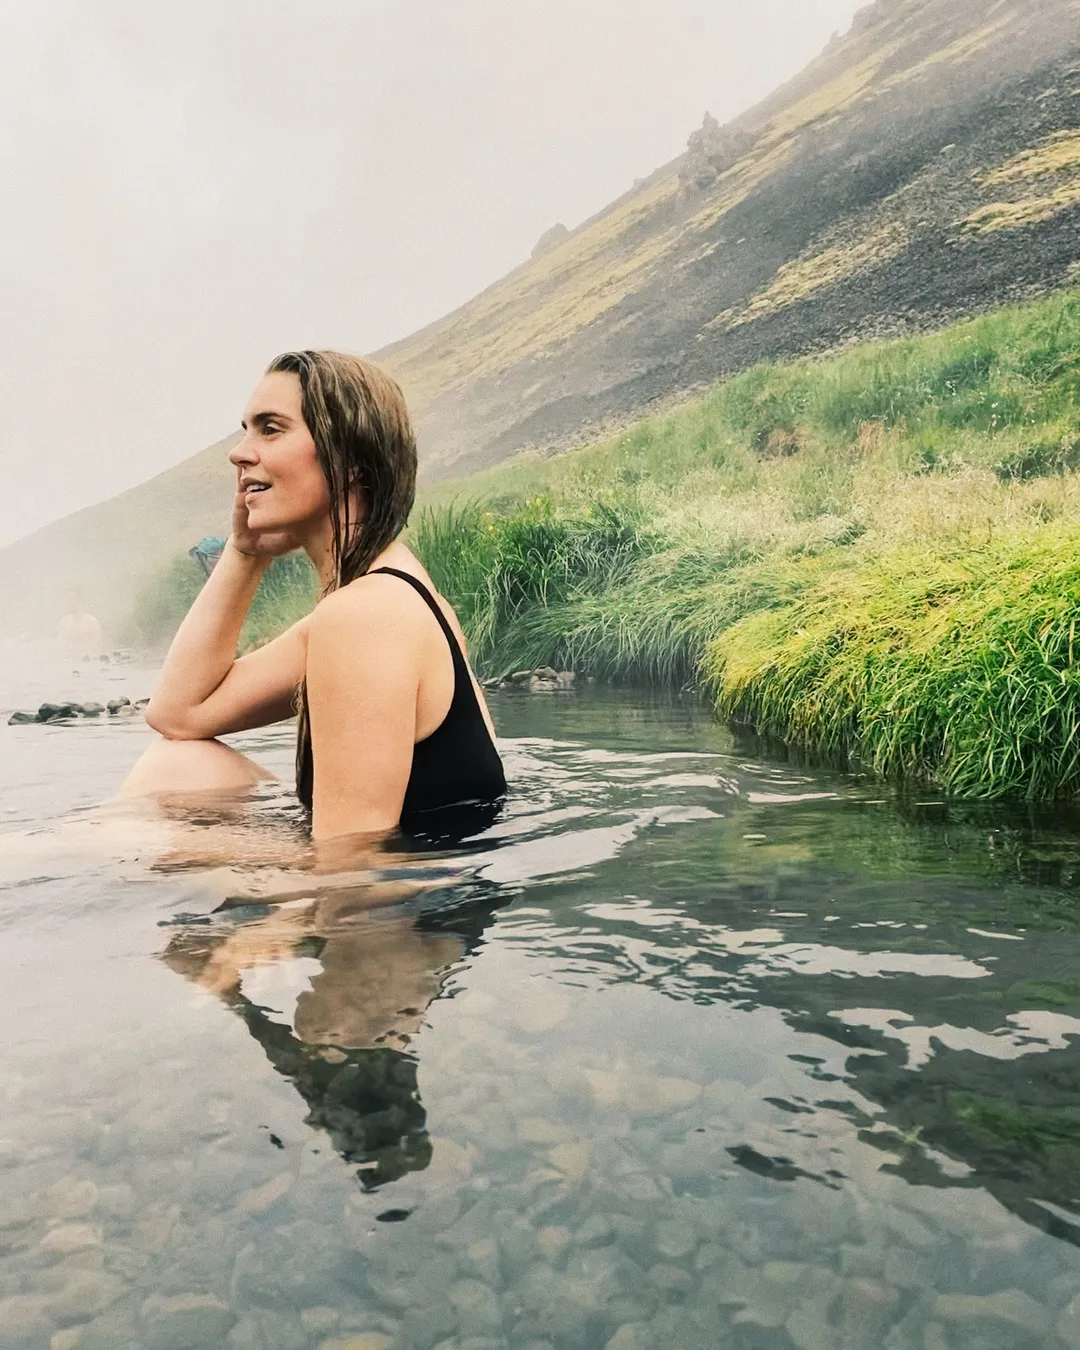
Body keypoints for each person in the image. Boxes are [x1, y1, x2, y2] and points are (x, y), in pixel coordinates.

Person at [121, 350, 506, 840]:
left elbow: (351, 878)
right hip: (421, 892)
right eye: (246, 429)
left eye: (270, 428)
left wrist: (191, 853)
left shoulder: (365, 617)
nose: (238, 453)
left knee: (125, 842)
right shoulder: (381, 596)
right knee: (177, 765)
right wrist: (244, 553)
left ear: (348, 461)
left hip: (403, 909)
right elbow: (178, 716)